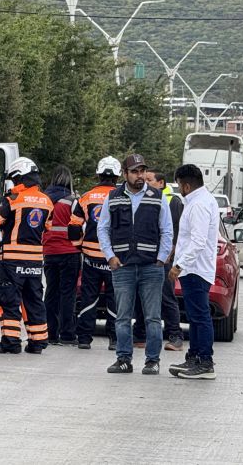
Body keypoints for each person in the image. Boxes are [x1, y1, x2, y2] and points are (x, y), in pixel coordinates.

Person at [99, 153, 173, 375]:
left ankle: (152, 360)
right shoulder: (113, 197)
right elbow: (102, 228)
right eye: (135, 172)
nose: (140, 176)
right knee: (122, 317)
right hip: (122, 267)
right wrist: (109, 256)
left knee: (152, 317)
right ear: (125, 174)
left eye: (142, 171)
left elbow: (167, 229)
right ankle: (123, 359)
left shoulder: (157, 197)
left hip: (151, 267)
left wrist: (162, 257)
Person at [0, 158, 54, 355]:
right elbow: (47, 227)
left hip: (12, 260)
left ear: (19, 178)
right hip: (35, 260)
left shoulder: (12, 200)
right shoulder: (47, 201)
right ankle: (38, 342)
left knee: (9, 300)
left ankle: (10, 341)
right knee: (34, 300)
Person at [168, 164, 220, 379]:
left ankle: (205, 362)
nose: (179, 188)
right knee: (195, 316)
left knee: (199, 317)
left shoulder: (198, 205)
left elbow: (198, 242)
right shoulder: (202, 200)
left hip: (195, 270)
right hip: (195, 269)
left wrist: (179, 265)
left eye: (179, 184)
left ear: (186, 185)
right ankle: (194, 357)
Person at [73, 156, 122, 351]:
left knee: (89, 297)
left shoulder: (85, 197)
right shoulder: (123, 196)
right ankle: (115, 339)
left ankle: (84, 339)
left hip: (91, 258)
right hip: (115, 259)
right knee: (115, 298)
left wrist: (80, 246)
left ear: (98, 174)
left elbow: (74, 228)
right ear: (118, 176)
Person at [133, 169, 185, 351]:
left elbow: (175, 230)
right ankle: (139, 334)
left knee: (165, 297)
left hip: (162, 258)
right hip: (144, 256)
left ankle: (175, 336)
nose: (145, 182)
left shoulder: (173, 201)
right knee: (140, 297)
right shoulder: (143, 197)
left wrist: (167, 256)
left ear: (161, 183)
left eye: (149, 179)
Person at [42, 165, 83, 346]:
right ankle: (67, 334)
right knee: (68, 293)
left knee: (51, 292)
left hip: (49, 251)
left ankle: (50, 333)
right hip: (69, 252)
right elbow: (79, 226)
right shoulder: (72, 200)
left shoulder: (44, 199)